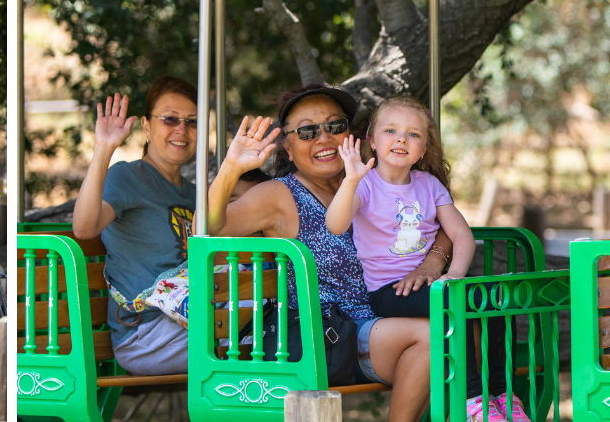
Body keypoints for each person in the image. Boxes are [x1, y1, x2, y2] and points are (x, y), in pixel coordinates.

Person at [209, 86, 452, 422]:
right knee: (434, 336)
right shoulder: (279, 196)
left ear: (349, 135)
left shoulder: (372, 181)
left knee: (461, 324)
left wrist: (434, 259)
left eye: (334, 126)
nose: (323, 138)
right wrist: (230, 170)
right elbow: (207, 229)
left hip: (382, 320)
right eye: (307, 131)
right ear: (289, 149)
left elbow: (443, 222)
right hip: (323, 337)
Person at [324, 97, 521, 419]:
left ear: (424, 149)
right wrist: (350, 179)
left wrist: (453, 275)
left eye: (413, 134)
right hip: (389, 291)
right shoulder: (366, 186)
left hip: (435, 286)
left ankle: (502, 393)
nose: (402, 138)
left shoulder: (428, 185)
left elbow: (462, 235)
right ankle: (473, 399)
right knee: (454, 308)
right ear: (372, 141)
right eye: (391, 130)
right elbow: (336, 224)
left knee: (495, 299)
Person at [69, 77, 198, 376]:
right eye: (170, 119)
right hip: (146, 335)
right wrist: (104, 148)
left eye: (191, 121)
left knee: (263, 331)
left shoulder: (193, 194)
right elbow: (85, 228)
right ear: (147, 126)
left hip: (194, 322)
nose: (182, 129)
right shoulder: (128, 177)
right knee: (257, 340)